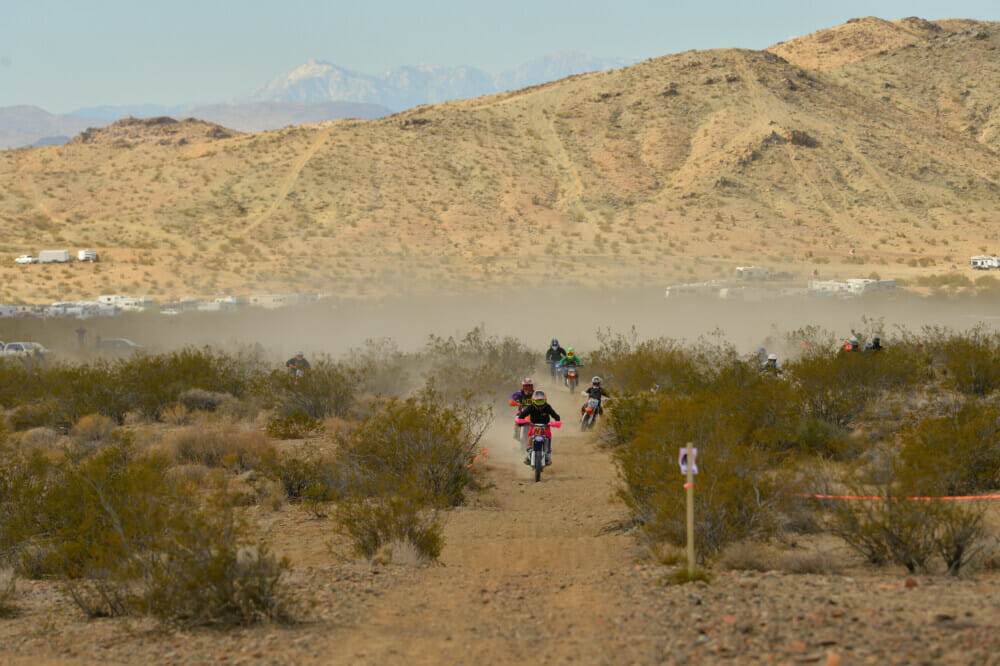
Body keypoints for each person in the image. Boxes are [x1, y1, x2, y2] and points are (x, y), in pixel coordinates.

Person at [517, 389, 560, 465]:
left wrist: (557, 421)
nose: (540, 403)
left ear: (545, 400)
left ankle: (548, 455)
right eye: (538, 401)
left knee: (548, 437)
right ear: (533, 401)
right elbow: (522, 414)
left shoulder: (547, 407)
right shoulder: (531, 407)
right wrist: (520, 421)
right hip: (533, 426)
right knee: (530, 436)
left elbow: (555, 415)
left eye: (541, 401)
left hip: (546, 426)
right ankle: (528, 455)